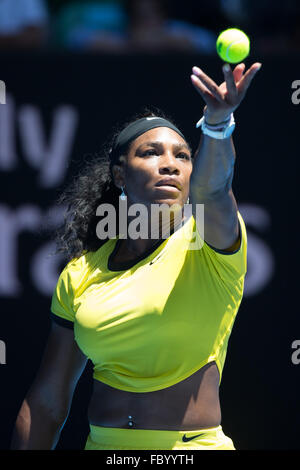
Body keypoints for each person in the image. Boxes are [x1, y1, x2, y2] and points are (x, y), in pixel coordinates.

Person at [10, 60, 261, 450]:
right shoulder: (80, 273)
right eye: (151, 153)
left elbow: (213, 190)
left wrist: (217, 123)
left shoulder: (210, 242)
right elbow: (47, 401)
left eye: (182, 156)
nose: (170, 165)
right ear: (120, 175)